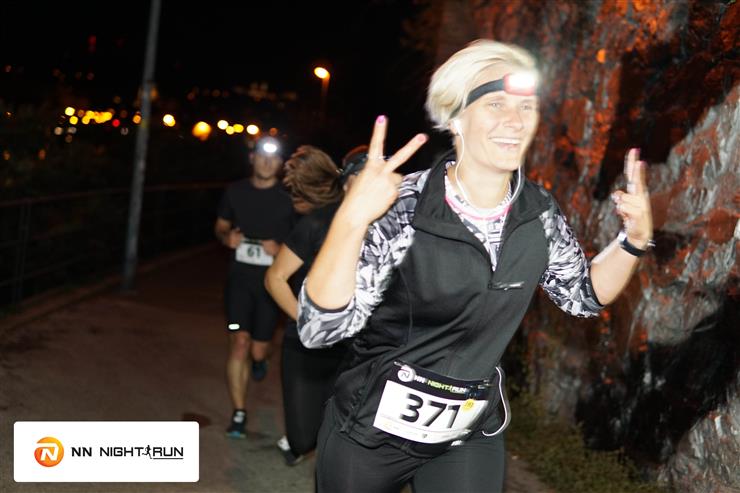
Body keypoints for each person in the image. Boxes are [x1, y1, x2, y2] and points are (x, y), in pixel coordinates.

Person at [297, 39, 654, 492]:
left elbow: (582, 295)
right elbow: (320, 329)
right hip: (369, 434)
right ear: (455, 118)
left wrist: (633, 241)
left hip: (464, 435)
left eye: (526, 107)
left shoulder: (538, 214)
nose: (515, 121)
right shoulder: (404, 207)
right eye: (495, 104)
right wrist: (351, 219)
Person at [264, 145, 367, 466]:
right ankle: (300, 438)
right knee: (303, 438)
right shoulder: (318, 222)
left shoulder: (391, 225)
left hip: (358, 349)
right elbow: (275, 278)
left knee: (349, 431)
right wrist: (309, 321)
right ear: (346, 181)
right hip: (306, 346)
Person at [214, 136, 294, 439]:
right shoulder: (235, 191)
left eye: (273, 158)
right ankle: (239, 412)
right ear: (252, 158)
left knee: (259, 348)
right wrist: (227, 237)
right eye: (262, 156)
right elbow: (221, 225)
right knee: (239, 342)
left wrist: (281, 248)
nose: (267, 162)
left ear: (280, 163)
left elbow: (305, 239)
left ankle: (261, 359)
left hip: (272, 286)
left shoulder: (289, 197)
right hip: (239, 281)